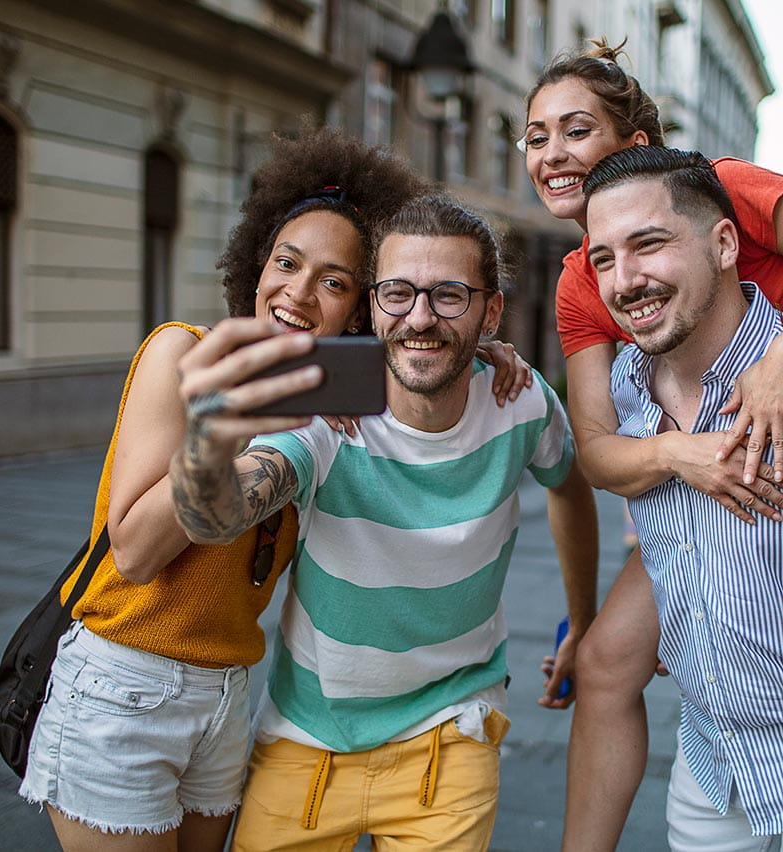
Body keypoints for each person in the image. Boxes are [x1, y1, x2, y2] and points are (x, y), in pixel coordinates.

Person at [16, 130, 431, 852]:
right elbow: (138, 551)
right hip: (123, 688)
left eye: (333, 281)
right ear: (256, 264)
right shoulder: (183, 352)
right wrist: (237, 420)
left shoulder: (327, 404)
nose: (298, 293)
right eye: (287, 262)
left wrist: (486, 350)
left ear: (360, 310)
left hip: (227, 695)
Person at [170, 195, 599, 852]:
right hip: (304, 743)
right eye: (397, 293)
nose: (420, 318)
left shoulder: (522, 401)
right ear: (372, 305)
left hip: (450, 734)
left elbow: (569, 485)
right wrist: (205, 438)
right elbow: (218, 514)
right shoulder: (329, 416)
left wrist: (583, 620)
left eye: (449, 295)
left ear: (492, 310)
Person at [520, 41, 783, 852]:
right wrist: (679, 456)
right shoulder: (580, 283)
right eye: (535, 137)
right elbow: (601, 449)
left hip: (759, 386)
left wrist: (780, 363)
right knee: (603, 663)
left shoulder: (723, 186)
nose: (553, 154)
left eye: (575, 130)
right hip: (683, 480)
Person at [583, 145, 783, 851]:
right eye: (603, 258)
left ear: (725, 242)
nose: (624, 280)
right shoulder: (625, 391)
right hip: (716, 757)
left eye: (648, 244)